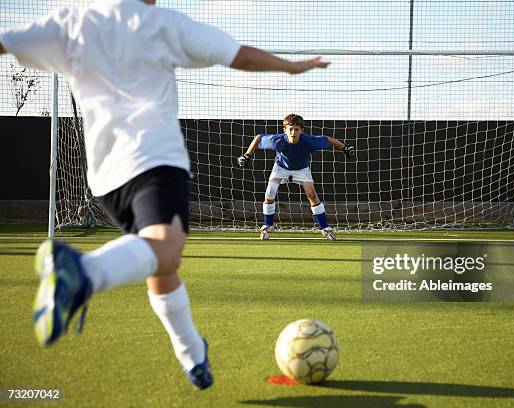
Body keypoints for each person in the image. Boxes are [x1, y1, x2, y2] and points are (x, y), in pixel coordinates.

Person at [0, 0, 329, 391]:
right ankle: (83, 275)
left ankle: (192, 354)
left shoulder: (70, 23)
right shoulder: (162, 23)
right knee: (166, 247)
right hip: (156, 162)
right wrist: (291, 67)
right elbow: (237, 55)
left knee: (161, 264)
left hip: (105, 178)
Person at [237, 114, 355, 240]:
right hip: (281, 167)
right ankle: (267, 226)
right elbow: (259, 138)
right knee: (269, 193)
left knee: (312, 195)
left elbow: (327, 139)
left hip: (301, 169)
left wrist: (345, 148)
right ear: (285, 130)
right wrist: (247, 155)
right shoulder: (278, 140)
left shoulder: (308, 141)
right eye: (290, 129)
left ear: (302, 130)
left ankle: (325, 228)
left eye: (296, 129)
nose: (293, 132)